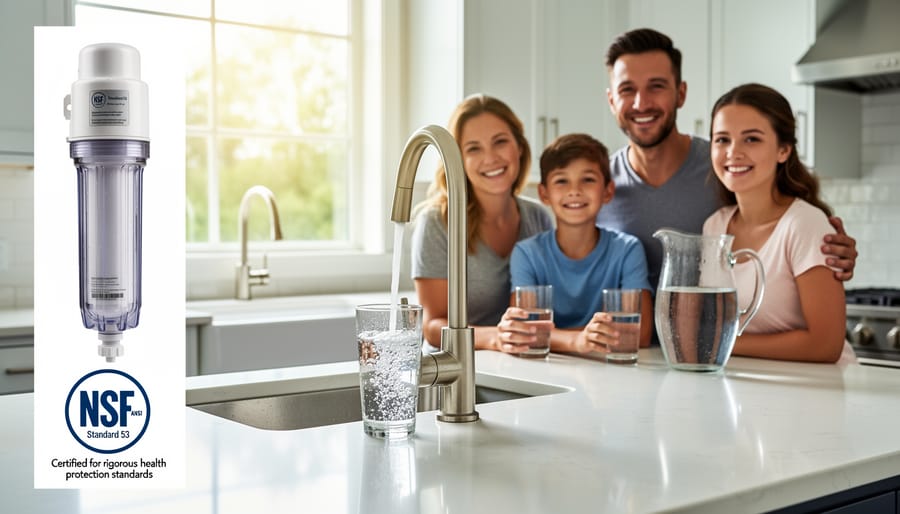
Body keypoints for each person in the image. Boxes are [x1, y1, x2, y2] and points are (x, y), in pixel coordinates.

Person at [597, 28, 858, 290]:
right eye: (627, 89)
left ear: (681, 93)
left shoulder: (729, 166)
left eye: (656, 86)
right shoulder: (596, 185)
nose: (641, 103)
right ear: (611, 100)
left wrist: (829, 249)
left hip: (713, 330)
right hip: (631, 332)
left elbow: (786, 219)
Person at [703, 83, 846, 363]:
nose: (733, 152)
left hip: (817, 391)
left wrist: (723, 343)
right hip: (752, 388)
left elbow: (826, 345)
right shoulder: (714, 227)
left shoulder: (804, 224)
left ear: (783, 150)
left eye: (751, 139)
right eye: (722, 139)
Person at [411, 94, 553, 352]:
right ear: (458, 160)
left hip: (517, 361)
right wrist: (496, 337)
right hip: (450, 369)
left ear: (519, 146)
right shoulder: (437, 222)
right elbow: (432, 326)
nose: (490, 158)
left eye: (500, 142)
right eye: (473, 148)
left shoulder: (538, 217)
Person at [497, 133, 653, 354]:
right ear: (544, 194)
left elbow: (641, 333)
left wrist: (553, 336)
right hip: (545, 370)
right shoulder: (527, 254)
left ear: (608, 191)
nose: (574, 191)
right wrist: (578, 340)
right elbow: (524, 332)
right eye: (561, 181)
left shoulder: (627, 250)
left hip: (611, 369)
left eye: (588, 179)